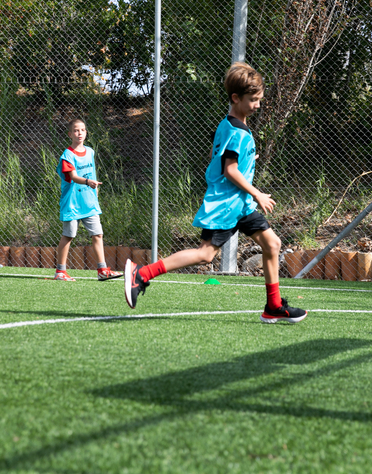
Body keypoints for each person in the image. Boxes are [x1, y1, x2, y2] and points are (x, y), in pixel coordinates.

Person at [123, 62, 307, 324]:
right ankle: (142, 274)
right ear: (236, 98)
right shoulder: (238, 133)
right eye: (253, 100)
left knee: (272, 244)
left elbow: (215, 157)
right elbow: (230, 170)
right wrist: (257, 193)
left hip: (239, 205)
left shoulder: (227, 125)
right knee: (206, 254)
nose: (257, 105)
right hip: (226, 204)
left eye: (259, 99)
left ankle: (274, 306)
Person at [54, 119, 123, 281]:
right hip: (72, 203)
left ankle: (102, 270)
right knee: (68, 236)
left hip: (89, 203)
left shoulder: (90, 151)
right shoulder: (68, 155)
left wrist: (95, 189)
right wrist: (87, 182)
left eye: (83, 130)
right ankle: (60, 272)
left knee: (98, 234)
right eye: (76, 130)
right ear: (70, 134)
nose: (80, 133)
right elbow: (73, 176)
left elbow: (91, 173)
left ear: (86, 133)